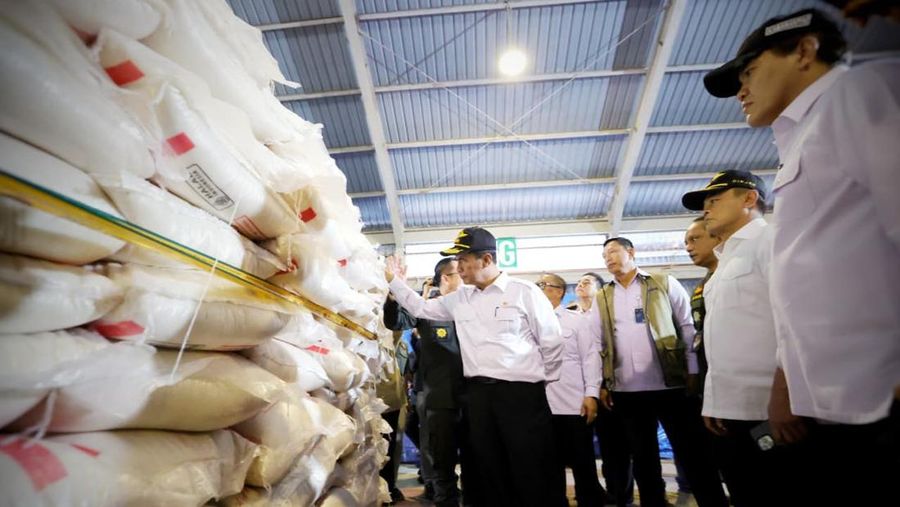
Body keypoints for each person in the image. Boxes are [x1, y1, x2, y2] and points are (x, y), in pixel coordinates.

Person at [703, 8, 899, 504]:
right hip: (836, 402)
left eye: (749, 71)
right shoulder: (800, 140)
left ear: (805, 51)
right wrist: (789, 382)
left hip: (879, 397)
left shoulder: (859, 95)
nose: (741, 89)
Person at [384, 227, 565, 507]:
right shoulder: (460, 298)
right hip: (478, 396)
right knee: (487, 466)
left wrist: (542, 385)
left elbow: (552, 343)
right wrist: (394, 282)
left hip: (521, 396)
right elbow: (420, 308)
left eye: (464, 260)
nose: (459, 268)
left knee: (530, 464)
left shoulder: (523, 292)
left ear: (487, 260)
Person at [682, 170, 806, 505]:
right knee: (745, 492)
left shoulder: (772, 241)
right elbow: (719, 337)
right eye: (705, 203)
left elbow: (794, 323)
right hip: (732, 410)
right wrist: (714, 399)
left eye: (715, 200)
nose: (707, 208)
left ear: (749, 199)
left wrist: (784, 395)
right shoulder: (725, 260)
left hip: (770, 407)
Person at [591, 237, 727, 507]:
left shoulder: (663, 283)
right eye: (604, 255)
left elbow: (687, 327)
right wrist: (602, 384)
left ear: (631, 252)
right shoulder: (602, 296)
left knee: (693, 453)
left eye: (613, 252)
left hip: (672, 386)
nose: (608, 259)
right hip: (627, 391)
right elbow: (599, 342)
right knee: (644, 459)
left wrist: (692, 369)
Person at [383, 258, 475, 507]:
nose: (467, 276)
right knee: (441, 461)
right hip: (440, 399)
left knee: (476, 461)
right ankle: (445, 500)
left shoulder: (474, 306)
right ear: (446, 278)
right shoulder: (428, 309)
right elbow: (396, 321)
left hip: (476, 398)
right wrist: (395, 291)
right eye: (460, 272)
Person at [537, 273, 607, 506]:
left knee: (583, 463)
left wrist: (591, 394)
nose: (539, 289)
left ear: (559, 291)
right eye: (538, 285)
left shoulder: (576, 321)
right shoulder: (527, 321)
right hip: (540, 407)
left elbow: (590, 359)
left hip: (573, 404)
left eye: (544, 286)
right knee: (548, 466)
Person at [574, 272, 635, 506]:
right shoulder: (570, 314)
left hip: (606, 389)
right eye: (579, 281)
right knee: (582, 449)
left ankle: (620, 495)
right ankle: (591, 493)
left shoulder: (608, 314)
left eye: (587, 281)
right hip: (577, 393)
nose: (581, 284)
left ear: (600, 289)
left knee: (615, 449)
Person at [376, 330, 410, 505]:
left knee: (391, 447)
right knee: (381, 446)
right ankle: (384, 487)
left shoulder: (392, 338)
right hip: (378, 397)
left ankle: (389, 487)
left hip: (392, 398)